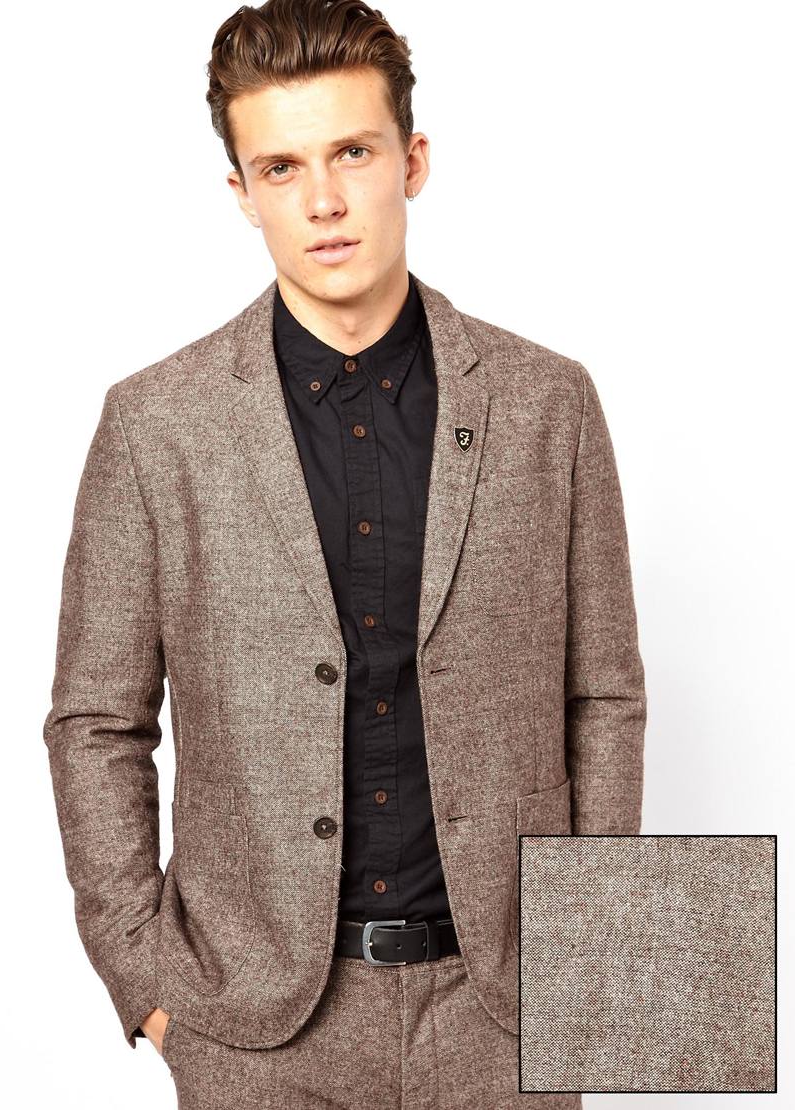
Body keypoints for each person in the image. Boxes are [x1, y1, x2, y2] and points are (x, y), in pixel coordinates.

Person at [43, 1, 646, 1106]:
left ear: (413, 161)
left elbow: (604, 697)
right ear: (242, 191)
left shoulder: (549, 401)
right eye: (282, 167)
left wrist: (594, 969)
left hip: (508, 1011)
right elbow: (95, 722)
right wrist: (147, 980)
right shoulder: (155, 422)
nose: (322, 200)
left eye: (353, 153)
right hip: (254, 1031)